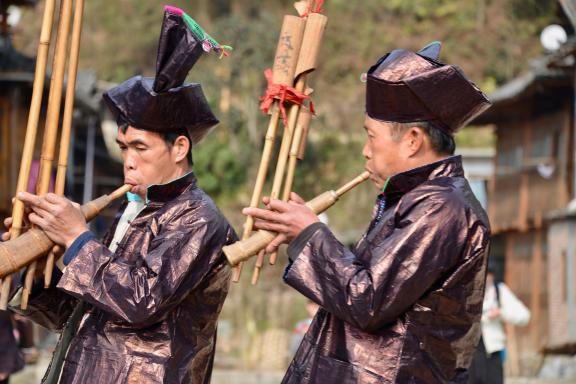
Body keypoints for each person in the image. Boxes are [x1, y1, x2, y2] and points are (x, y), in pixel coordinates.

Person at [5, 7, 236, 383]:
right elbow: (76, 315)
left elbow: (140, 301)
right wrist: (31, 265)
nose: (127, 161)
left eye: (140, 148)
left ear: (179, 148)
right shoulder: (131, 214)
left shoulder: (199, 219)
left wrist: (77, 239)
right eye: (122, 147)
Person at [244, 42, 493, 383]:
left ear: (412, 140)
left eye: (371, 136)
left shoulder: (442, 208)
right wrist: (301, 232)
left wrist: (309, 234)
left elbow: (367, 299)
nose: (365, 151)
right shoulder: (417, 200)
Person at [468, 267, 530, 384]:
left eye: (488, 274)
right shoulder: (465, 291)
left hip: (492, 353)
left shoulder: (499, 291)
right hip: (469, 356)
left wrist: (501, 312)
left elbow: (524, 316)